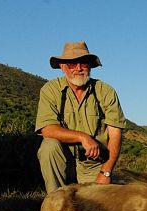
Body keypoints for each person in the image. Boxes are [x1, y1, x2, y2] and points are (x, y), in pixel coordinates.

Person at [35, 41, 126, 193]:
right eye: (72, 64)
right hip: (63, 162)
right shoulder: (50, 90)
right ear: (63, 67)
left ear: (90, 65)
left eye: (83, 63)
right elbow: (47, 130)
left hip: (94, 164)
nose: (78, 68)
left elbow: (116, 134)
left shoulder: (106, 91)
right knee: (49, 147)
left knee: (100, 207)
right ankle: (54, 201)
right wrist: (83, 137)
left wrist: (106, 172)